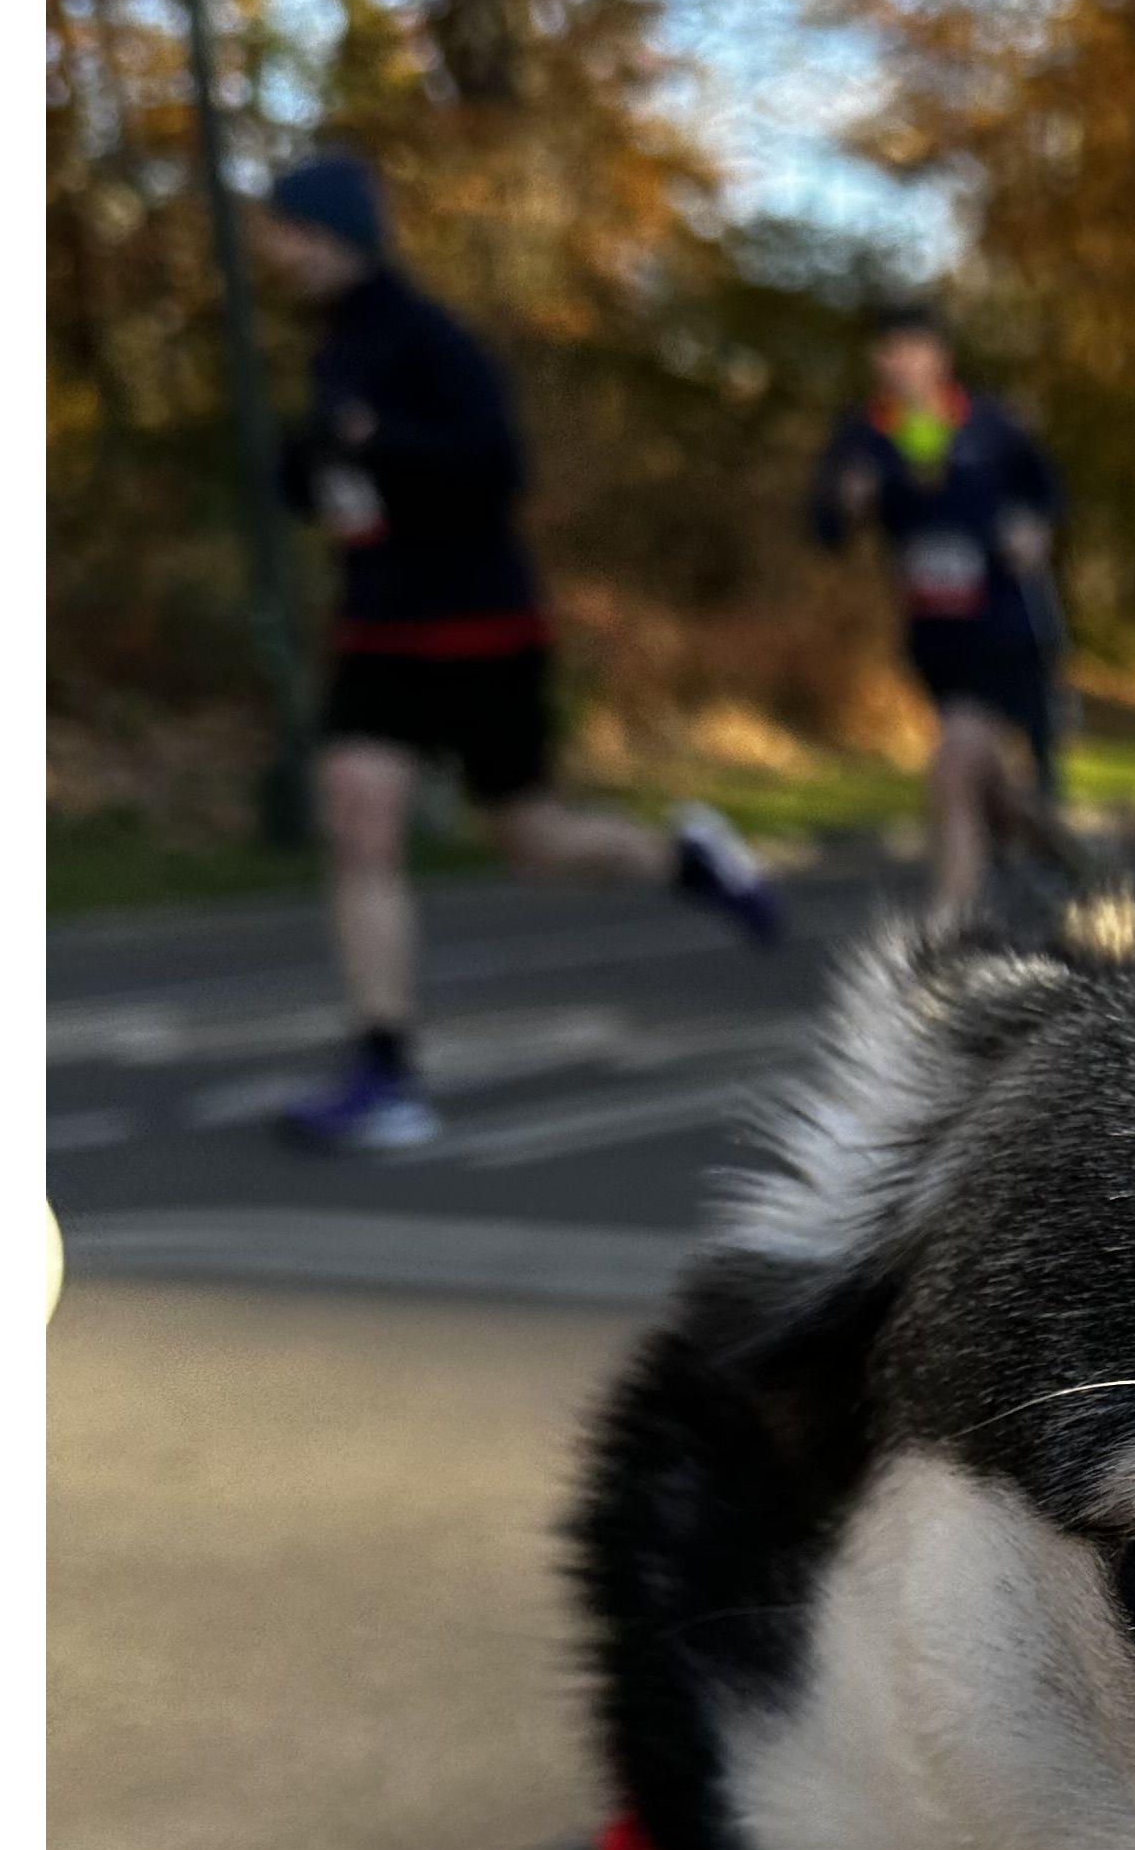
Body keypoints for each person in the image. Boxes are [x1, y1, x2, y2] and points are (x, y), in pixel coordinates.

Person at [253, 154, 778, 1154]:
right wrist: (307, 463)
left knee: (532, 841)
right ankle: (385, 1071)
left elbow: (496, 467)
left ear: (334, 235)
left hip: (481, 627)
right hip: (377, 630)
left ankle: (689, 860)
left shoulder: (430, 337)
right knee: (359, 820)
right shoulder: (331, 346)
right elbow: (316, 473)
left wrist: (377, 445)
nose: (275, 252)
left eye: (288, 231)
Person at [809, 301, 1078, 933]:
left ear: (939, 356)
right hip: (935, 639)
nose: (893, 362)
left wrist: (1036, 529)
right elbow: (824, 527)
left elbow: (1048, 491)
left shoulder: (989, 424)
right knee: (991, 789)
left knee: (953, 767)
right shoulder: (868, 436)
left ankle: (948, 933)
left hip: (1005, 628)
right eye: (884, 350)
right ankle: (1057, 853)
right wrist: (846, 505)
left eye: (906, 347)